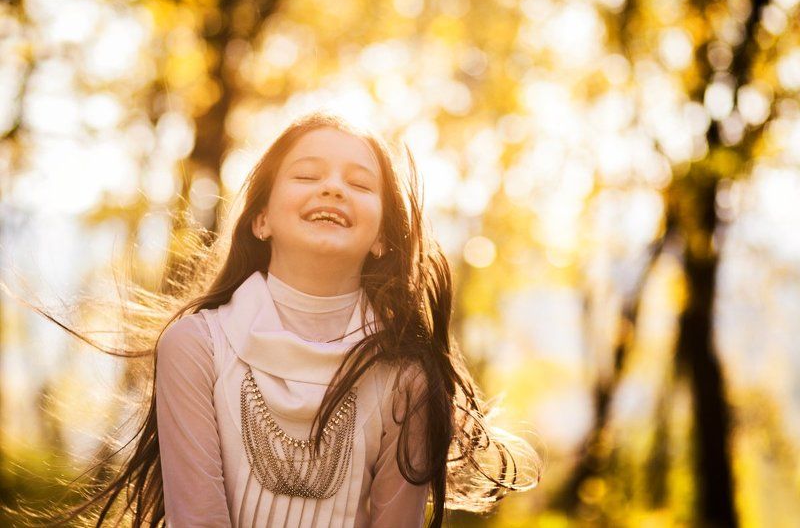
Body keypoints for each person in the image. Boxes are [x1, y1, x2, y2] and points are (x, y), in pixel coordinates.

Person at [19, 111, 541, 527]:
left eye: (360, 184)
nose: (332, 188)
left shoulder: (406, 376)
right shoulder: (196, 346)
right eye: (307, 175)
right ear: (261, 219)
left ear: (383, 237)